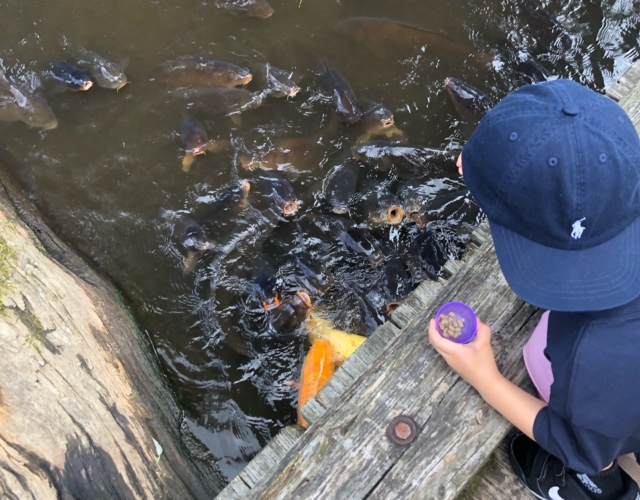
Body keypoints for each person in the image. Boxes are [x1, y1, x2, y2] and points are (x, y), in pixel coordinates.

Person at [428, 79, 640, 499]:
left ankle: (606, 491)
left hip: (605, 424)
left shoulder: (590, 354)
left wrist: (486, 378)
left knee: (585, 449)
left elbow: (587, 449)